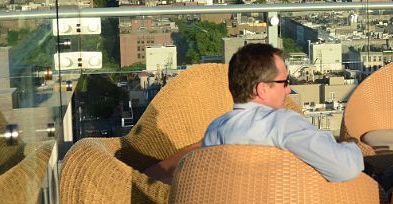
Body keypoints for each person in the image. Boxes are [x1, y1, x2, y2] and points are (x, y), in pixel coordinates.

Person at [142, 43, 363, 184]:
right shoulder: (282, 124)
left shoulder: (216, 130)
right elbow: (344, 169)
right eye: (284, 82)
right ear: (262, 89)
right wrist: (353, 147)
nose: (288, 89)